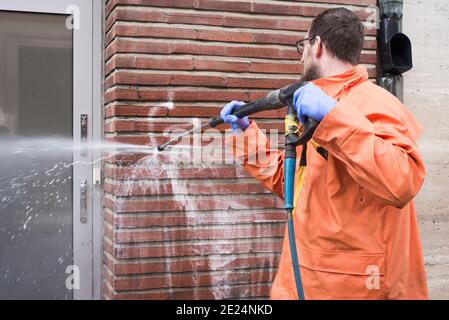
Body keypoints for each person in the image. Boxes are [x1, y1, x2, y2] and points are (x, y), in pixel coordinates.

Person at [221, 7, 428, 300]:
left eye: (302, 47)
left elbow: (402, 181)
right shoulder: (316, 105)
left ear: (317, 45)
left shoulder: (374, 104)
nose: (301, 55)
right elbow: (294, 185)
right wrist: (246, 134)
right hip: (303, 279)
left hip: (351, 289)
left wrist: (333, 117)